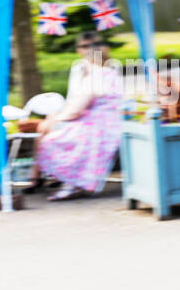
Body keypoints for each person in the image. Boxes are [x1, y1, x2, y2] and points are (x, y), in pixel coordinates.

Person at [29, 32, 125, 201]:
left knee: (52, 140)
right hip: (114, 123)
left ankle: (70, 181)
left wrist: (59, 118)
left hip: (96, 125)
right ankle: (55, 179)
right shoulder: (112, 74)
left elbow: (76, 110)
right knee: (52, 129)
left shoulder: (93, 78)